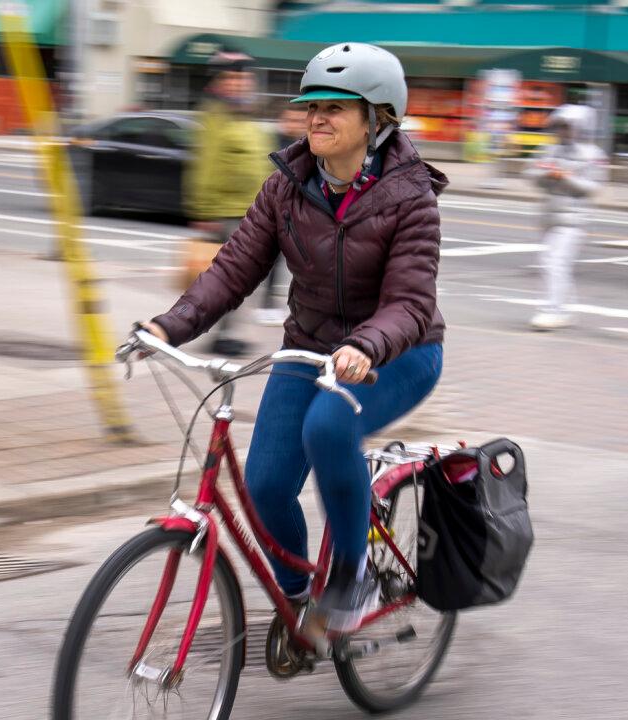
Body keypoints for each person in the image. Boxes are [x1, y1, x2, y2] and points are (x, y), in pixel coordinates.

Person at [141, 42, 447, 643]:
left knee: (329, 428)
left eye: (335, 107)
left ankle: (354, 579)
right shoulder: (286, 186)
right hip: (308, 347)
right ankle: (301, 600)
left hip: (397, 353)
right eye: (311, 106)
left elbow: (410, 303)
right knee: (264, 486)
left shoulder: (411, 196)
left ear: (378, 118)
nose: (317, 118)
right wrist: (166, 327)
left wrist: (366, 346)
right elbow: (232, 271)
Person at [185, 51, 273, 356]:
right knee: (236, 275)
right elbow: (206, 164)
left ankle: (226, 331)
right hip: (225, 211)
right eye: (232, 78)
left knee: (242, 276)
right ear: (221, 82)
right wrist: (204, 211)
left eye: (243, 78)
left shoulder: (245, 113)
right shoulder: (216, 115)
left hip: (250, 210)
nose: (239, 83)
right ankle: (224, 334)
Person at [524, 104, 607, 330]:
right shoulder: (550, 150)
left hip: (573, 220)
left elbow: (593, 187)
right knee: (556, 263)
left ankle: (554, 310)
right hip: (549, 215)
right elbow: (531, 173)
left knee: (554, 262)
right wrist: (547, 173)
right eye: (560, 126)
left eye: (568, 126)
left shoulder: (593, 155)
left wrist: (565, 178)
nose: (563, 131)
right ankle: (565, 308)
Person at [255, 103, 309, 327]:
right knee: (272, 260)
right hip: (277, 212)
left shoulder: (306, 147)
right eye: (291, 120)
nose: (294, 125)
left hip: (299, 214)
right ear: (282, 120)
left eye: (299, 121)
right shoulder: (273, 145)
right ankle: (267, 304)